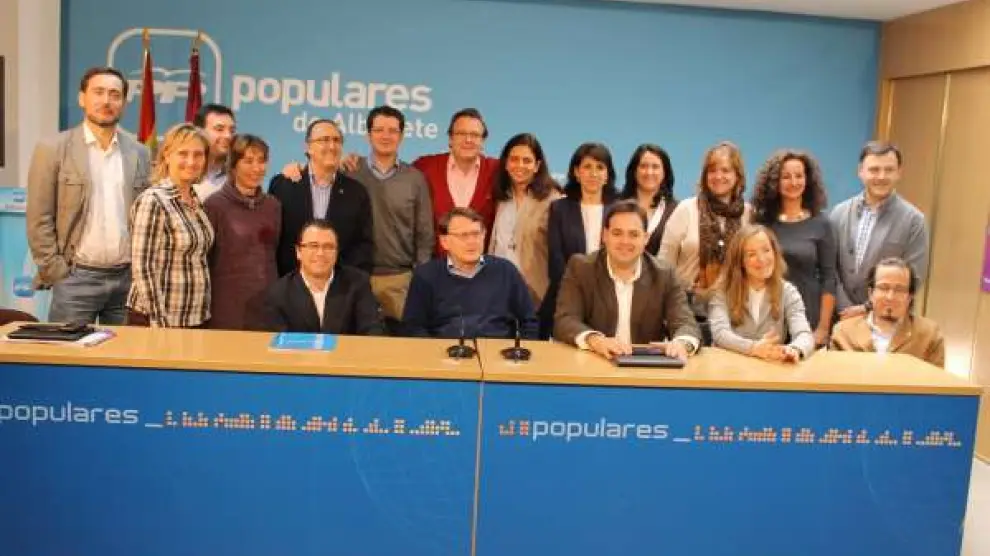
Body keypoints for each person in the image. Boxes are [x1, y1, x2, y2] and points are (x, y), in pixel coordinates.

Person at [26, 66, 151, 324]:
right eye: (98, 92)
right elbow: (39, 217)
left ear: (124, 103)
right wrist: (56, 270)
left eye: (115, 95)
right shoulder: (52, 149)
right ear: (82, 98)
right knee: (67, 349)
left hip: (126, 282)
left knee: (124, 351)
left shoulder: (139, 153)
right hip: (75, 280)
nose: (106, 101)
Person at [282, 108, 499, 256]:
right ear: (450, 138)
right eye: (461, 133)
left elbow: (424, 233)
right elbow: (324, 169)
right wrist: (300, 168)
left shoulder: (497, 171)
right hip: (354, 273)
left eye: (475, 135)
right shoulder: (424, 166)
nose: (468, 139)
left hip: (441, 271)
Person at [553, 200, 700, 360]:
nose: (625, 241)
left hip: (644, 365)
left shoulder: (664, 274)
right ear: (604, 235)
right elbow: (565, 319)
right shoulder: (581, 268)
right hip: (595, 361)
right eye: (617, 233)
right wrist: (595, 340)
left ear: (645, 238)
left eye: (633, 234)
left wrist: (681, 344)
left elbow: (685, 323)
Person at [346, 106, 434, 322]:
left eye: (392, 131)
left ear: (401, 136)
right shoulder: (349, 172)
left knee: (402, 340)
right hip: (355, 278)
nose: (385, 136)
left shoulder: (415, 178)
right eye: (379, 130)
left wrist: (419, 278)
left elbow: (424, 235)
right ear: (368, 135)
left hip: (400, 280)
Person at [126, 123, 215, 328]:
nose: (191, 161)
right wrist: (160, 323)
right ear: (166, 155)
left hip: (193, 317)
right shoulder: (153, 200)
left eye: (198, 155)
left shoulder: (196, 201)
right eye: (183, 153)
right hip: (158, 321)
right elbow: (143, 269)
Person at [402, 208, 538, 339]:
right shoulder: (426, 276)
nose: (472, 241)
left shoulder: (506, 271)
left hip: (497, 351)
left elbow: (529, 322)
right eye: (463, 236)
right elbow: (413, 328)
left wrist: (519, 352)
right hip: (445, 351)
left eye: (476, 234)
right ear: (444, 242)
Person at [659, 141, 752, 332]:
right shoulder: (686, 209)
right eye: (712, 171)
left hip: (735, 314)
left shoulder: (749, 214)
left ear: (738, 176)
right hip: (687, 311)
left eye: (725, 170)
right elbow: (663, 265)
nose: (718, 176)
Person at [830, 141, 929, 321]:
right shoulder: (839, 213)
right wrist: (844, 307)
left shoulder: (914, 221)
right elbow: (829, 267)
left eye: (889, 170)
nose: (881, 176)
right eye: (874, 170)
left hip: (887, 320)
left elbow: (914, 277)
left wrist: (867, 308)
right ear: (860, 171)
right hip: (840, 318)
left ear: (899, 172)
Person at [751, 149, 836, 346]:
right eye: (786, 177)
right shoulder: (761, 222)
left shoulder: (822, 223)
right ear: (774, 182)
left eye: (799, 176)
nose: (793, 182)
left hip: (809, 313)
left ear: (808, 180)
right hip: (770, 313)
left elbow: (829, 278)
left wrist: (823, 328)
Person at [269, 119, 373, 276]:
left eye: (336, 140)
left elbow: (363, 246)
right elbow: (274, 242)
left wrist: (344, 280)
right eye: (324, 140)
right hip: (292, 283)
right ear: (308, 147)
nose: (331, 146)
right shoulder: (282, 186)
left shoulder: (357, 192)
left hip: (340, 284)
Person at [204, 134, 281, 331]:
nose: (257, 168)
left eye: (261, 161)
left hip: (266, 307)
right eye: (248, 161)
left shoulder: (273, 205)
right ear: (233, 165)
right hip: (227, 307)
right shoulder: (214, 205)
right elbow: (206, 261)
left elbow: (275, 254)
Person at [708, 224, 815, 362]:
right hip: (731, 367)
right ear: (740, 262)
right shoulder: (723, 292)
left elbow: (804, 334)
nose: (762, 259)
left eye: (766, 250)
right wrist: (753, 348)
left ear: (774, 252)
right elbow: (720, 334)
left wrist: (794, 349)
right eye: (751, 254)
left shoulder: (788, 292)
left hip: (770, 367)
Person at [543, 142, 618, 338]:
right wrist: (576, 292)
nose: (593, 173)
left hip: (612, 297)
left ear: (607, 174)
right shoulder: (559, 208)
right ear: (576, 172)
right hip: (569, 296)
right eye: (587, 167)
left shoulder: (620, 209)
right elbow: (556, 260)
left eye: (600, 167)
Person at [263, 220, 384, 335]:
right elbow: (277, 343)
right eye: (313, 246)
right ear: (298, 252)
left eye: (328, 247)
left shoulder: (358, 283)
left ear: (336, 253)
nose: (320, 253)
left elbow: (373, 330)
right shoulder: (279, 293)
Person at [489, 133, 562, 309]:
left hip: (537, 295)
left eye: (527, 161)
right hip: (498, 291)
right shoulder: (501, 198)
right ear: (506, 163)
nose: (520, 165)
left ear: (537, 166)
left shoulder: (553, 201)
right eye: (514, 159)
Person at [830, 257, 944, 367]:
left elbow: (936, 378)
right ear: (871, 293)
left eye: (899, 290)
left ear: (909, 297)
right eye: (883, 288)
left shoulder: (929, 335)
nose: (890, 297)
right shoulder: (844, 332)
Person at [619, 144, 679, 255]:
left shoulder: (677, 210)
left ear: (665, 172)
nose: (649, 172)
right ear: (634, 171)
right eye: (643, 166)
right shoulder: (617, 204)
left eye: (655, 167)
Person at [192, 103, 236, 199]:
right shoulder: (185, 172)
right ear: (199, 132)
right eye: (219, 129)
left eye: (232, 131)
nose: (228, 136)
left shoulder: (238, 176)